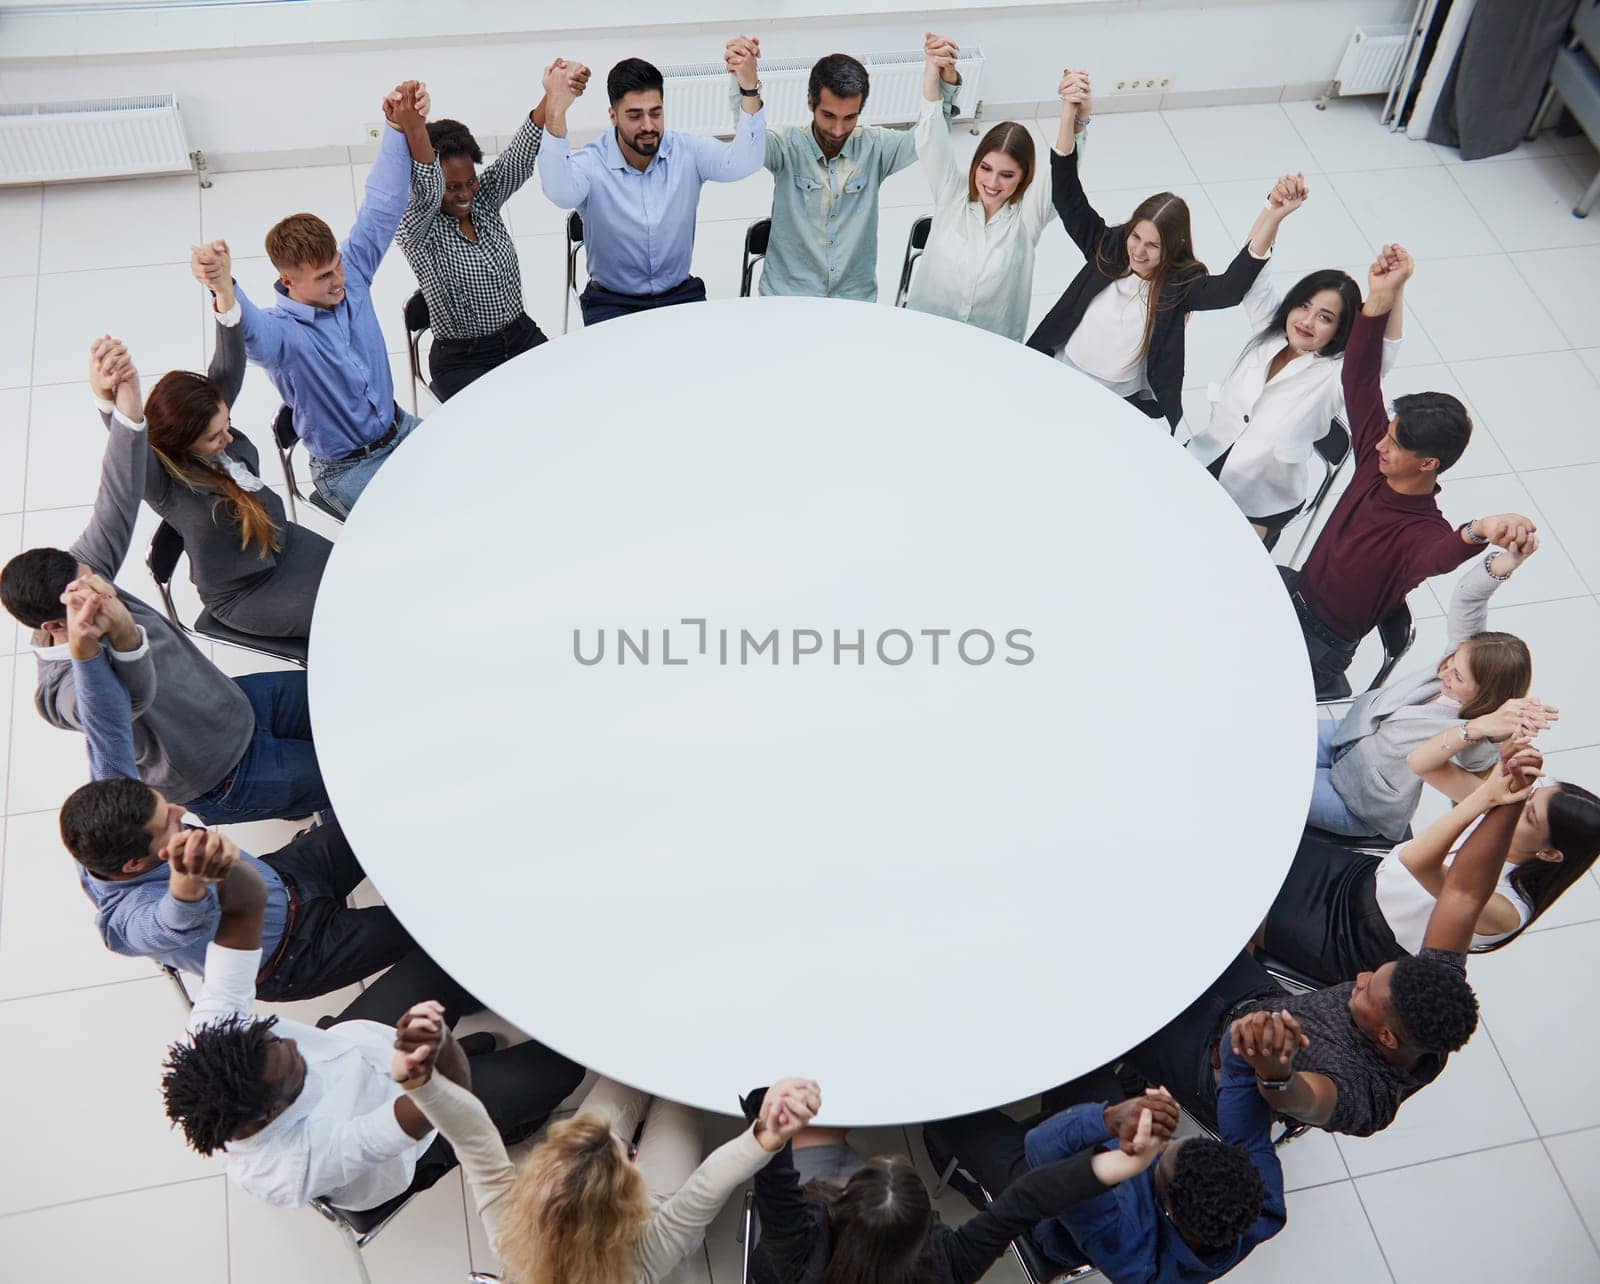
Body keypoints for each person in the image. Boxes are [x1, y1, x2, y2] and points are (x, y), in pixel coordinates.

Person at [55, 582, 467, 1008]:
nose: (181, 811)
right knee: (436, 925)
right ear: (133, 864)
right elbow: (167, 924)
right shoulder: (128, 919)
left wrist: (84, 652)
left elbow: (107, 726)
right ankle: (466, 983)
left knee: (382, 817)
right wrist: (186, 884)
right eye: (168, 824)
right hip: (298, 956)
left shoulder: (112, 809)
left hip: (287, 876)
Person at [1127, 747, 1541, 1138]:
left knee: (1121, 996)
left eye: (1366, 990)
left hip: (1210, 1066)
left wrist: (1275, 1069)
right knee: (1169, 921)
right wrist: (1508, 799)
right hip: (1253, 999)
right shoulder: (1431, 985)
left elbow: (1307, 1100)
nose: (1357, 978)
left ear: (1387, 1038)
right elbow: (1464, 895)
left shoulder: (1367, 1095)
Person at [161, 853, 583, 1211]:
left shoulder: (213, 1035)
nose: (293, 1041)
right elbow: (433, 1108)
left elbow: (246, 906)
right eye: (290, 1062)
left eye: (273, 1036)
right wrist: (440, 1051)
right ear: (273, 1112)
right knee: (561, 1069)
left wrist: (218, 868)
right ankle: (511, 1123)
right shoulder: (293, 1165)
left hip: (364, 1042)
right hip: (421, 1128)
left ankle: (465, 1013)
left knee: (449, 947)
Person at [1, 427, 328, 827]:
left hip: (237, 705)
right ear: (54, 623)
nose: (103, 588)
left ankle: (296, 798)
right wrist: (116, 641)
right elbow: (119, 706)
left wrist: (124, 410)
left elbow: (117, 498)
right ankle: (301, 805)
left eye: (92, 576)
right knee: (346, 772)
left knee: (341, 697)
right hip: (224, 773)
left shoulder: (83, 575)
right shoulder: (61, 691)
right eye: (87, 591)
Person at [1282, 243, 1538, 699]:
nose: (1379, 442)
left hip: (1319, 648)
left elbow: (1439, 556)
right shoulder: (1376, 460)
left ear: (1428, 463)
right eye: (1388, 432)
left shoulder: (1422, 531)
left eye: (1395, 443)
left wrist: (1479, 529)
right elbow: (1358, 377)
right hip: (1292, 592)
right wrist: (1381, 296)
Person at [394, 1010, 807, 1284]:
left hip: (607, 1208)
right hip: (661, 1204)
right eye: (622, 1154)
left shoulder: (511, 1227)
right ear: (630, 1185)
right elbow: (702, 1190)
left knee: (628, 1072)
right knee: (683, 1089)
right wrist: (762, 1138)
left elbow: (474, 1137)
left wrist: (423, 1085)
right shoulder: (641, 1262)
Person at [193, 79, 435, 517]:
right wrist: (223, 285)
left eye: (337, 265)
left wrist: (397, 127)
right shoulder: (281, 336)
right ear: (288, 281)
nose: (339, 280)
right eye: (324, 277)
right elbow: (245, 328)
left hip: (400, 430)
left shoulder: (353, 273)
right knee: (419, 524)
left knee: (476, 474)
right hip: (347, 469)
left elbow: (382, 206)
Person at [1026, 69, 1304, 431]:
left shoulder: (1179, 285)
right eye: (1136, 238)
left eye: (1152, 246)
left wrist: (1273, 214)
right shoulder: (1109, 247)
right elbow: (1066, 194)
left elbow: (1234, 287)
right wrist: (1070, 116)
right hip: (1063, 369)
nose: (1138, 252)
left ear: (1172, 249)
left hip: (1117, 398)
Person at [744, 1086, 1165, 1283]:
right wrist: (1130, 1160)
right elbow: (1024, 1201)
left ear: (844, 1199)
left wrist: (769, 1109)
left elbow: (775, 1184)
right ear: (924, 1225)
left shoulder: (800, 1247)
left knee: (823, 1130)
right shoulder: (947, 1265)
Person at [1264, 754, 1600, 983]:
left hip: (1353, 940)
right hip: (1358, 879)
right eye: (1528, 797)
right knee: (1264, 847)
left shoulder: (1509, 909)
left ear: (1549, 853)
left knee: (1241, 906)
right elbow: (1422, 762)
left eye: (1529, 814)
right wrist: (1479, 734)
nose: (1517, 804)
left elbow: (1419, 865)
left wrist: (1485, 799)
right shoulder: (1504, 810)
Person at [924, 1071, 1283, 1282]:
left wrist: (1110, 1119)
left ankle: (955, 1169)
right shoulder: (1260, 1202)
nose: (1161, 1145)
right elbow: (1246, 1117)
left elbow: (1042, 1150)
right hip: (1109, 1170)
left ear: (1169, 1209)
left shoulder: (1130, 1252)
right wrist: (1267, 1062)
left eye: (1159, 1154)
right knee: (1080, 1052)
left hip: (1056, 1210)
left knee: (953, 1116)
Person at [87, 332, 330, 640]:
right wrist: (109, 400)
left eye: (227, 424)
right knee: (342, 616)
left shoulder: (216, 425)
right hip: (246, 592)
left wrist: (224, 294)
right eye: (214, 437)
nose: (228, 439)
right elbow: (130, 443)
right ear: (183, 442)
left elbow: (228, 367)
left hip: (285, 543)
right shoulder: (165, 485)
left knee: (362, 580)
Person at [1309, 536, 1552, 839]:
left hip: (1355, 799)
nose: (1445, 671)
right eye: (1452, 660)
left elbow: (1477, 762)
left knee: (1264, 778)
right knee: (1262, 738)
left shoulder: (1477, 735)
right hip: (1345, 736)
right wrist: (1509, 562)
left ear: (1484, 695)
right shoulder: (1461, 658)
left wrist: (1493, 734)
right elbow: (1467, 598)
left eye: (1459, 677)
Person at [396, 62, 591, 400]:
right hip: (462, 359)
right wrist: (415, 126)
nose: (465, 194)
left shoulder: (482, 199)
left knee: (569, 396)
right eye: (452, 187)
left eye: (469, 181)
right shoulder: (418, 228)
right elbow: (426, 185)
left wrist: (552, 95)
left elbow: (518, 156)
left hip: (519, 335)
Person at [538, 40, 767, 325]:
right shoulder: (592, 162)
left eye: (655, 113)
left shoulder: (686, 151)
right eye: (634, 115)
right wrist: (556, 111)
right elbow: (559, 192)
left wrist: (748, 89)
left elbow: (747, 161)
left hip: (679, 294)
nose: (648, 126)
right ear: (613, 116)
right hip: (611, 301)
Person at [1183, 263, 1400, 544]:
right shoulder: (1271, 333)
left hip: (1259, 501)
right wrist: (1271, 217)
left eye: (1324, 317)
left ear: (1340, 330)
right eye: (1303, 306)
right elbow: (1254, 277)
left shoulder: (1337, 375)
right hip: (1205, 456)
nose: (1307, 321)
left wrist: (1392, 290)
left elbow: (1380, 355)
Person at [748, 35, 960, 301]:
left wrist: (942, 81)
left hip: (854, 300)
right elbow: (750, 141)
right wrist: (746, 87)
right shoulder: (787, 148)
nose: (838, 130)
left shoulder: (875, 148)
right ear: (810, 102)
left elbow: (931, 140)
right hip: (788, 296)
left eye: (850, 117)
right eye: (829, 116)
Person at [905, 51, 1083, 340]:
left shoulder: (1027, 217)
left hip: (990, 345)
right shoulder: (952, 192)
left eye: (1007, 175)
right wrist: (931, 73)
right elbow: (930, 138)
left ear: (1024, 177)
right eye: (985, 168)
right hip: (927, 332)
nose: (991, 182)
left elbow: (1062, 172)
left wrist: (1070, 114)